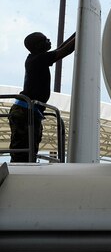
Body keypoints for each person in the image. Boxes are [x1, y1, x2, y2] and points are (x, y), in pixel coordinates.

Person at [8, 32, 75, 162]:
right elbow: (64, 51)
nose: (49, 41)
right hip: (25, 113)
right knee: (22, 153)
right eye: (45, 40)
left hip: (29, 111)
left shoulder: (36, 58)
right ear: (37, 46)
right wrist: (84, 33)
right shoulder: (38, 60)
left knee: (28, 150)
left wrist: (78, 32)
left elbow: (59, 49)